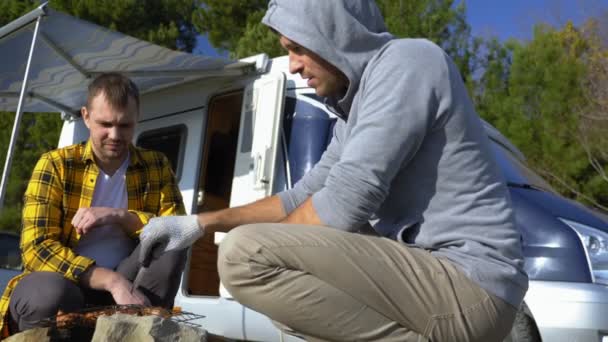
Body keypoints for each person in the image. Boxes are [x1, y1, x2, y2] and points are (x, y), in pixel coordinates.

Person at [138, 1, 529, 341]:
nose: (292, 66)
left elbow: (345, 204)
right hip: (432, 279)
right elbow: (302, 195)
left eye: (297, 49)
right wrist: (200, 224)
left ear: (331, 35)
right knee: (288, 298)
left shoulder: (408, 62)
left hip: (470, 283)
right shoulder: (353, 115)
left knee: (244, 256)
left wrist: (263, 243)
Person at [0, 73, 187, 336]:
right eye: (105, 124)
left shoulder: (156, 165)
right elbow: (37, 248)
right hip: (63, 283)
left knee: (171, 246)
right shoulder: (55, 164)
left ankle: (143, 331)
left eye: (124, 126)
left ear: (137, 118)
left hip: (131, 281)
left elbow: (179, 230)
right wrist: (111, 281)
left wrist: (120, 216)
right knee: (52, 293)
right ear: (86, 116)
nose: (115, 135)